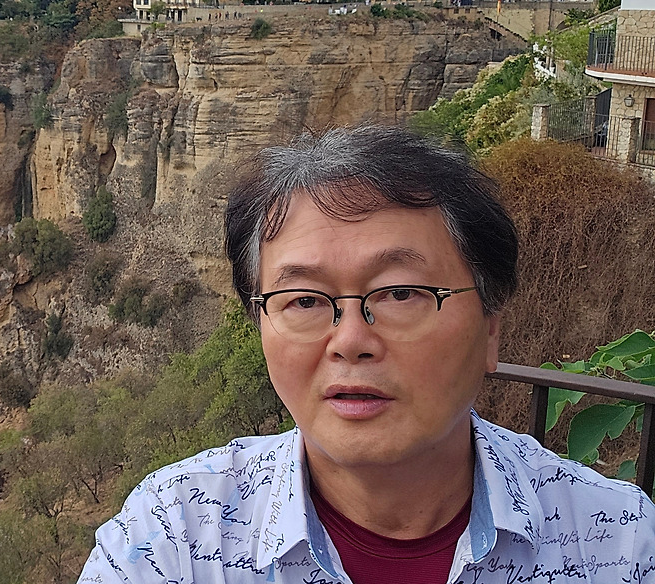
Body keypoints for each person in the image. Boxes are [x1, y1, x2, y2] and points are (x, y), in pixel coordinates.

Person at [78, 126, 655, 584]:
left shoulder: (617, 544)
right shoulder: (175, 536)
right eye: (305, 300)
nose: (350, 339)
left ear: (490, 328)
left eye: (400, 293)